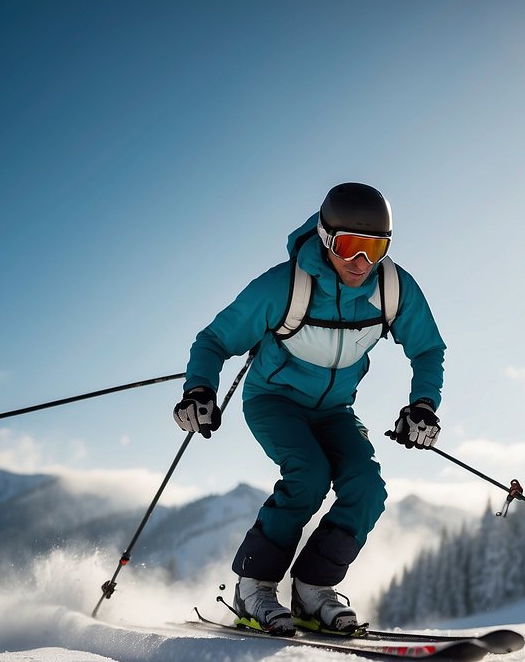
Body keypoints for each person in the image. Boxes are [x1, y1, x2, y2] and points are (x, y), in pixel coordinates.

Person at [174, 182, 445, 636]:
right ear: (325, 237)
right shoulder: (284, 285)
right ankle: (254, 587)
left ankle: (313, 591)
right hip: (274, 401)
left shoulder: (394, 289)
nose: (361, 263)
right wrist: (199, 390)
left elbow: (427, 349)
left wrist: (423, 405)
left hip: (335, 409)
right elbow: (215, 340)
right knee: (309, 475)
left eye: (374, 248)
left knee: (366, 487)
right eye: (349, 247)